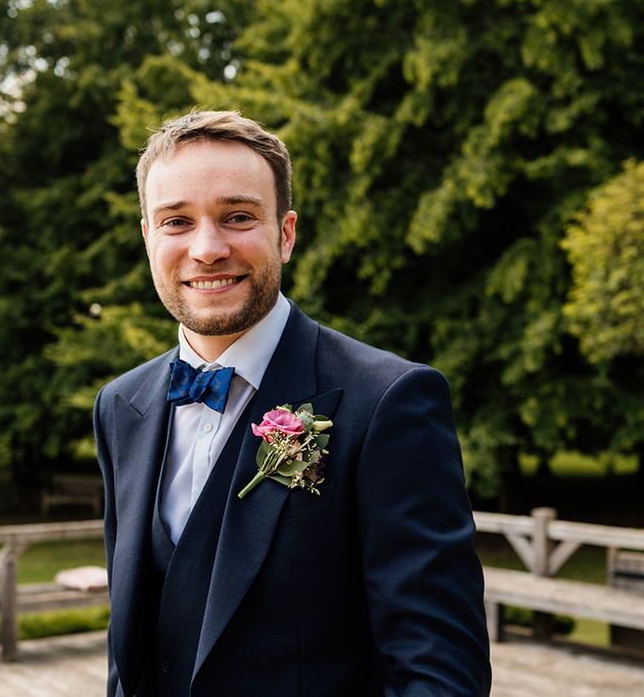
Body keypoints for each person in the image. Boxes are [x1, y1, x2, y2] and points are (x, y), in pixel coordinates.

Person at [94, 110, 491, 697]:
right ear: (148, 237)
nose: (207, 249)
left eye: (237, 217)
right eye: (177, 221)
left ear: (285, 232)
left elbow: (438, 669)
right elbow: (131, 643)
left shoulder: (390, 400)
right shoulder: (120, 405)